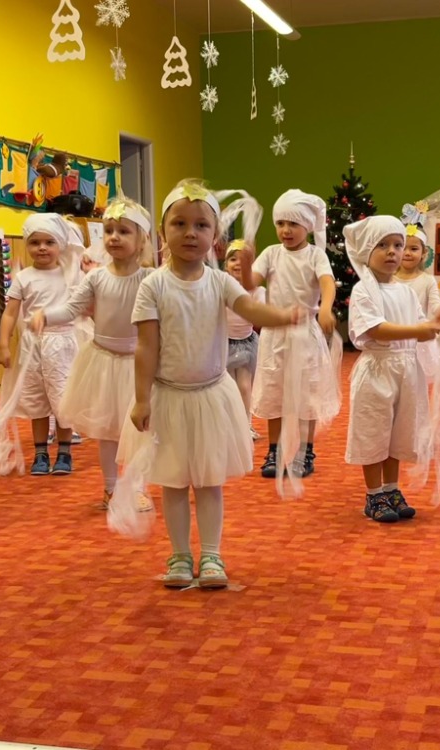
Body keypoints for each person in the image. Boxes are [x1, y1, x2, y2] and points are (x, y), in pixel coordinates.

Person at [117, 180, 300, 589]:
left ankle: (212, 555)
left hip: (210, 397)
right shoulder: (153, 285)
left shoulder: (219, 282)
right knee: (173, 482)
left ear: (215, 236)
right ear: (162, 233)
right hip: (168, 397)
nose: (190, 233)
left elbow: (250, 309)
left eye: (201, 225)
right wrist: (141, 399)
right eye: (179, 224)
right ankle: (180, 554)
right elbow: (146, 346)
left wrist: (282, 316)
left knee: (209, 482)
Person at [32, 198, 155, 508]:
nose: (114, 237)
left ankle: (137, 487)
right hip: (102, 363)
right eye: (109, 231)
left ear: (142, 240)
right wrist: (46, 315)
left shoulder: (149, 279)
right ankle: (111, 489)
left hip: (137, 364)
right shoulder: (96, 277)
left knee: (140, 431)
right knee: (107, 432)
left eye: (124, 231)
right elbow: (72, 308)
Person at [344, 216, 440, 523]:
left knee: (398, 433)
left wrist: (436, 322)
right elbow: (376, 329)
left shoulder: (406, 291)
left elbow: (421, 326)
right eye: (382, 245)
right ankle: (373, 494)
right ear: (366, 251)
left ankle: (391, 488)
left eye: (397, 245)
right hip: (377, 370)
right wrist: (418, 330)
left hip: (406, 370)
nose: (393, 251)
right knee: (374, 432)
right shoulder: (364, 290)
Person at [246, 189, 340, 479]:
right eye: (280, 223)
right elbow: (251, 281)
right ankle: (274, 451)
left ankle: (304, 451)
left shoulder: (315, 255)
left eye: (293, 224)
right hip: (274, 334)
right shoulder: (271, 254)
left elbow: (327, 283)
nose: (285, 230)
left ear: (307, 226)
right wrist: (244, 267)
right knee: (274, 392)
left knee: (306, 394)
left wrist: (326, 308)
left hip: (304, 334)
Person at [0, 214, 81, 476]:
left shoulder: (71, 275)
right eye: (35, 243)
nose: (42, 248)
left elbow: (85, 305)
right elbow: (10, 313)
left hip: (62, 344)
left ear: (61, 245)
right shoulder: (24, 277)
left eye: (49, 242)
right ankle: (41, 453)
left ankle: (64, 452)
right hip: (32, 346)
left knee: (63, 400)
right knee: (37, 401)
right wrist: (3, 344)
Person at [223, 240, 266, 440]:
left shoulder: (256, 290)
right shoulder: (221, 286)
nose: (238, 263)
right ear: (226, 265)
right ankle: (228, 425)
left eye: (244, 260)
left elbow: (260, 313)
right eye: (233, 259)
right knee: (226, 386)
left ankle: (246, 425)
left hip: (246, 343)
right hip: (223, 344)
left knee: (244, 386)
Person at [394, 220, 440, 381]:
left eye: (414, 249)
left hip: (418, 339)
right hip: (394, 336)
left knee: (416, 382)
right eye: (402, 247)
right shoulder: (389, 279)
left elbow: (435, 306)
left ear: (424, 253)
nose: (407, 253)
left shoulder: (428, 280)